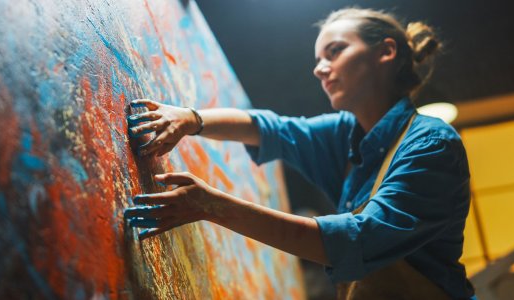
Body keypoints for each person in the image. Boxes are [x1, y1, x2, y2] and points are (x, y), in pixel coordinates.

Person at [123, 7, 475, 299]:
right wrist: (192, 119)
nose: (319, 68)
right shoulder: (347, 133)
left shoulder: (429, 144)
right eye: (319, 58)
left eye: (335, 51)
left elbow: (357, 240)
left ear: (385, 52)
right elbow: (275, 129)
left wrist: (212, 206)